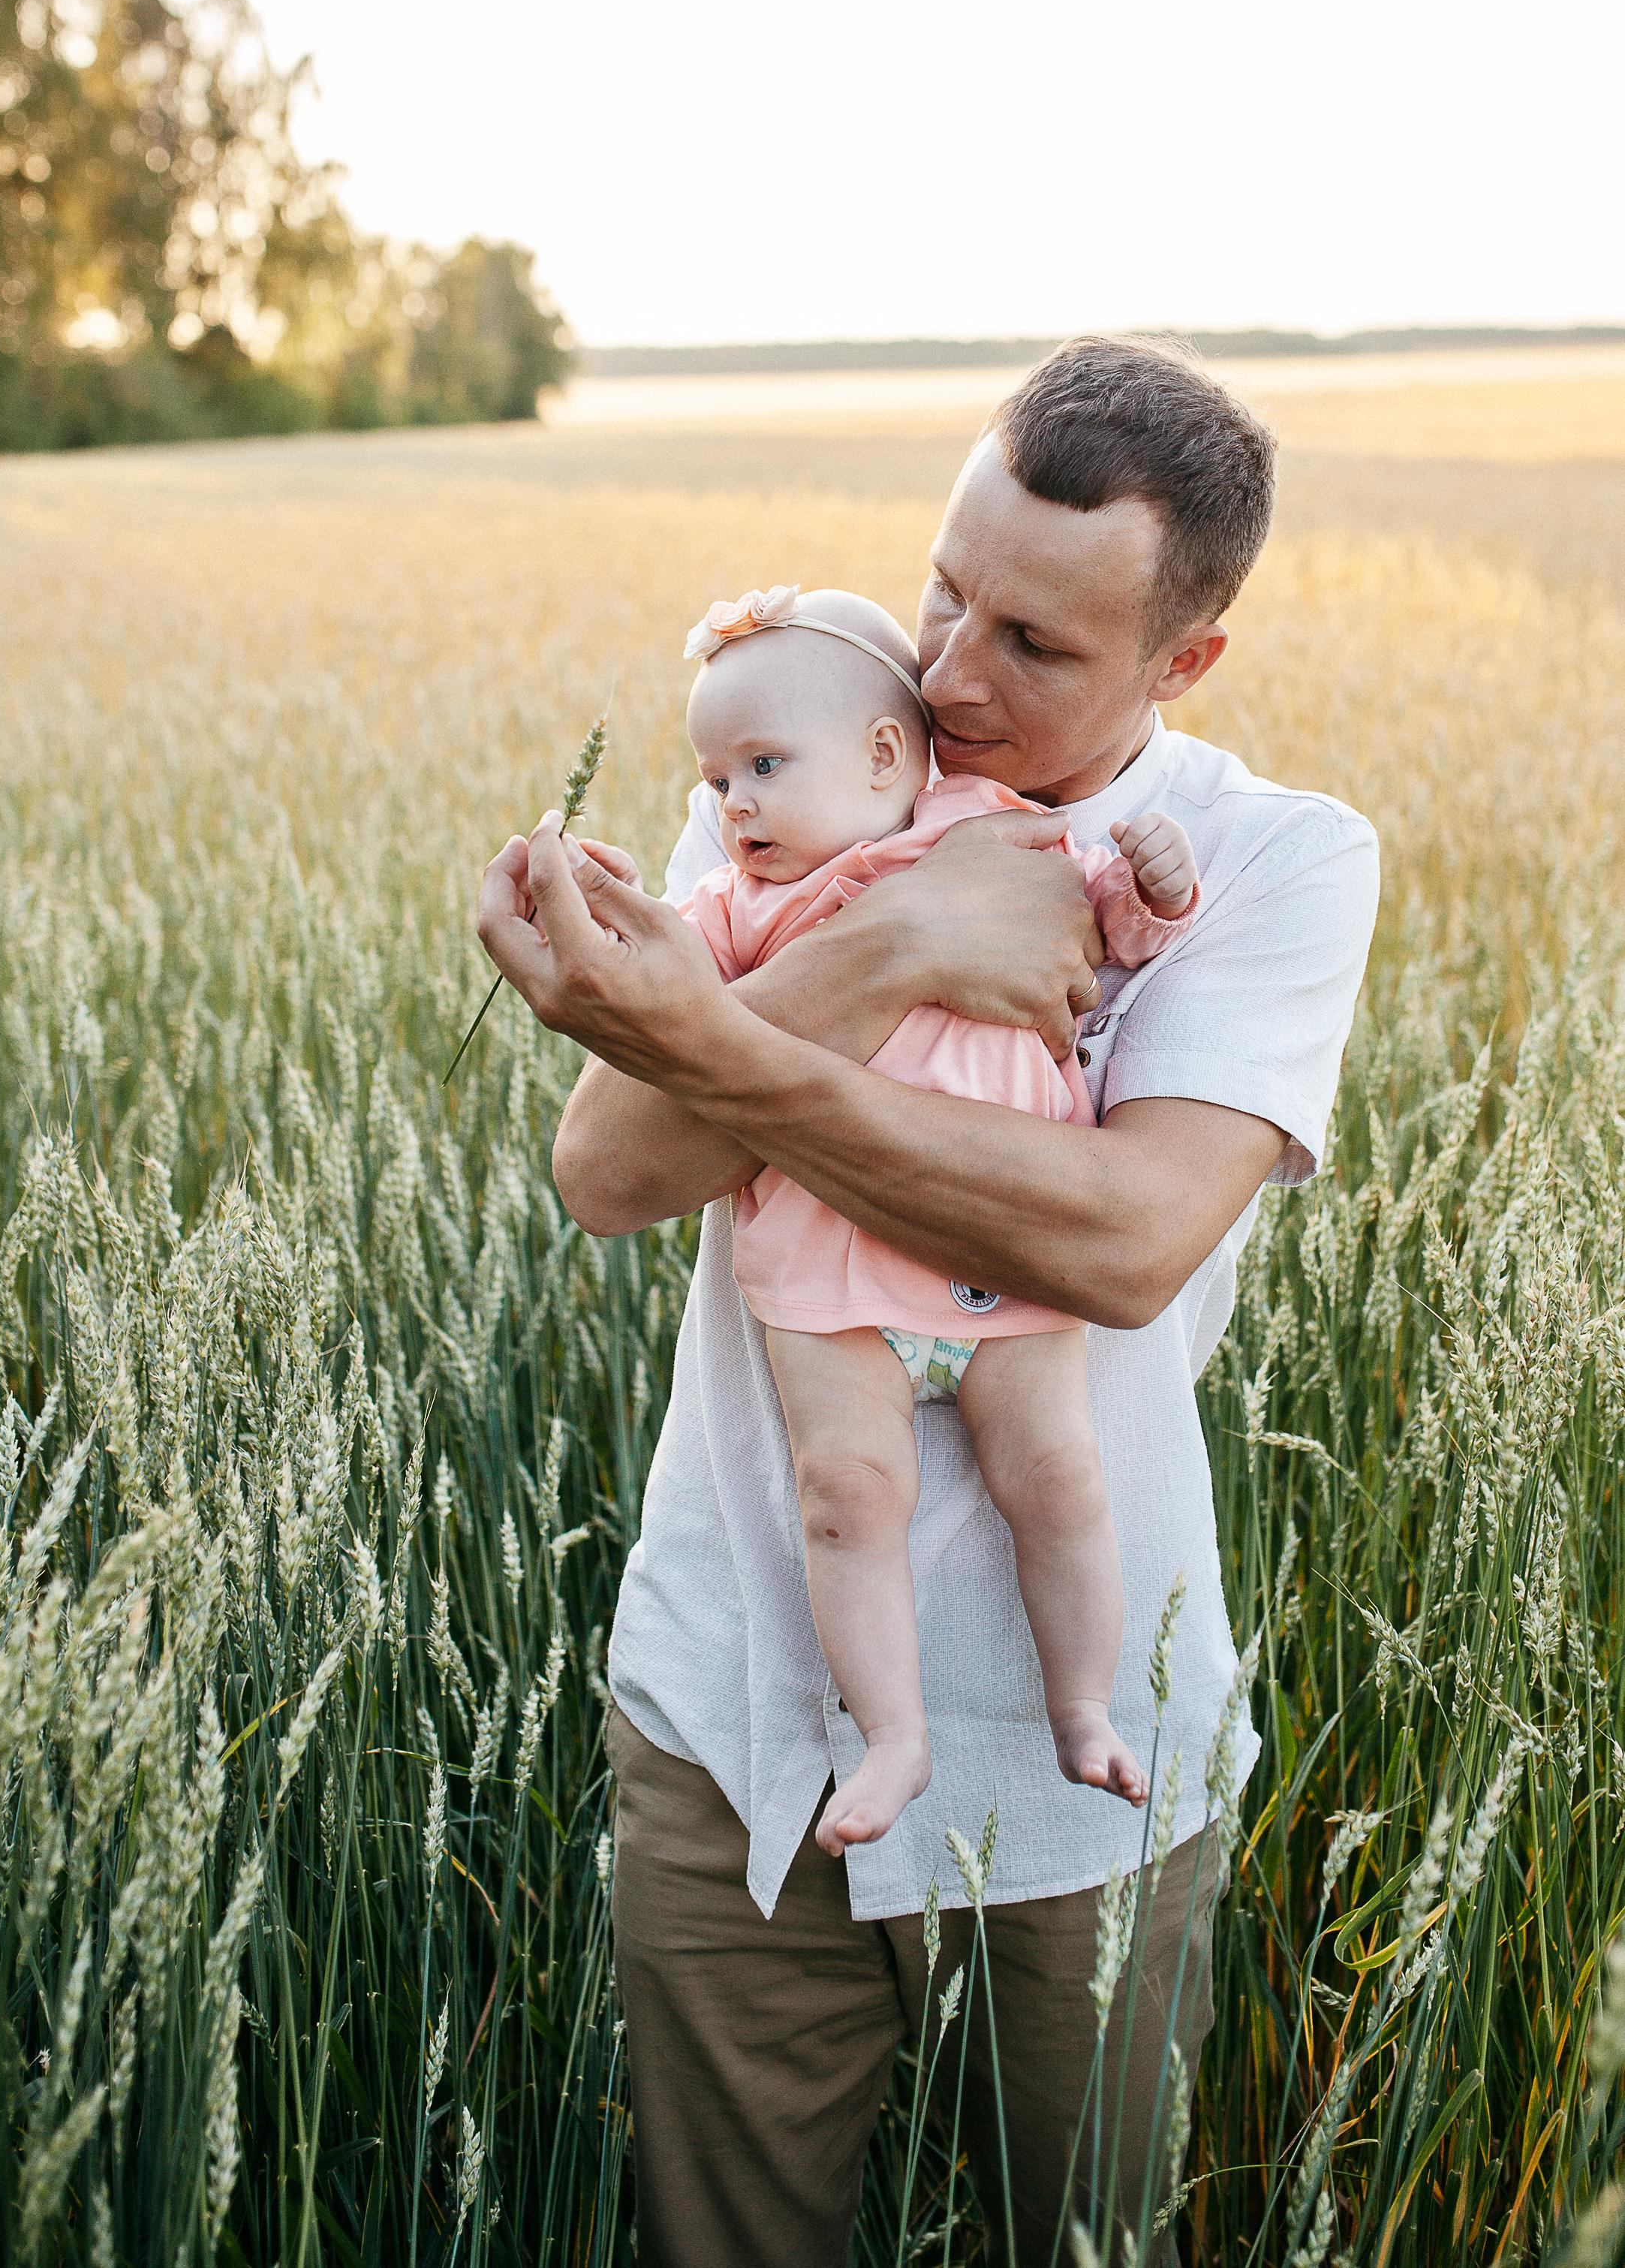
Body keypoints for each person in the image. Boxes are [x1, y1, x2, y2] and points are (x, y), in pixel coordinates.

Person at [477, 336, 1380, 2266]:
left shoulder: (1280, 858)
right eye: (944, 590)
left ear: (1182, 661)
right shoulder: (808, 753)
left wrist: (749, 1042)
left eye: (1036, 646)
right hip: (735, 1715)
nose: (952, 676)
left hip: (1085, 1770)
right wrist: (905, 933)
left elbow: (1124, 1242)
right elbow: (610, 1172)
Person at [676, 580, 1202, 1849]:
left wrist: (1153, 890)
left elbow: (1105, 939)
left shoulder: (993, 829)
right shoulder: (731, 903)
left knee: (1060, 1478)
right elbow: (659, 1031)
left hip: (1006, 1270)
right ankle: (894, 1737)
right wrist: (594, 906)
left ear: (877, 756)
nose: (730, 803)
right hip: (828, 1277)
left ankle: (1083, 1708)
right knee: (845, 1495)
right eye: (712, 778)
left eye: (758, 766)